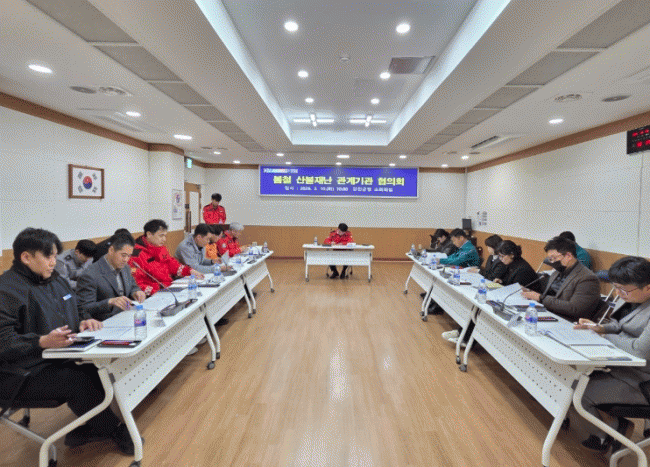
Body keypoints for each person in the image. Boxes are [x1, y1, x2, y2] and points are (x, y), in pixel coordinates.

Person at [0, 228, 134, 453]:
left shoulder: (55, 280)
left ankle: (97, 426)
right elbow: (3, 341)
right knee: (79, 380)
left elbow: (76, 307)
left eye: (55, 255)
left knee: (97, 369)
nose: (54, 262)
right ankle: (116, 432)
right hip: (18, 374)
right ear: (26, 257)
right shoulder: (7, 289)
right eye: (48, 256)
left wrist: (83, 320)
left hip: (56, 358)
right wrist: (42, 341)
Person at [571, 257, 650, 452]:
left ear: (648, 287)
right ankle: (613, 428)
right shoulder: (632, 297)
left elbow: (639, 350)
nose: (618, 294)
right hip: (623, 366)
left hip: (643, 380)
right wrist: (599, 328)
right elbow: (620, 325)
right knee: (572, 379)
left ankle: (610, 433)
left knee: (579, 391)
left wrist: (605, 336)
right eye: (616, 288)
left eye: (623, 290)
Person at [522, 236, 600, 320]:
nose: (552, 262)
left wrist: (540, 298)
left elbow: (575, 309)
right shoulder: (557, 272)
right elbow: (549, 295)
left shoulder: (587, 278)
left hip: (568, 321)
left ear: (568, 256)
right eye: (550, 259)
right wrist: (530, 293)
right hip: (549, 313)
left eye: (553, 258)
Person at [77, 234, 146, 321]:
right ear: (111, 250)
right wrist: (109, 302)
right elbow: (83, 308)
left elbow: (132, 285)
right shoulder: (90, 274)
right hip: (104, 322)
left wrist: (136, 292)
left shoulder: (125, 267)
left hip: (126, 316)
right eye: (123, 255)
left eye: (129, 256)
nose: (126, 260)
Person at [129, 219, 204, 296]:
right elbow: (137, 284)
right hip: (154, 294)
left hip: (168, 288)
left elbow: (172, 264)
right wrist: (158, 291)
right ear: (149, 234)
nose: (164, 239)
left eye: (165, 236)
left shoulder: (161, 248)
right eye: (161, 236)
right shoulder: (136, 255)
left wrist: (190, 271)